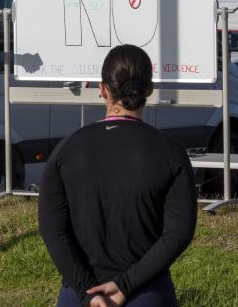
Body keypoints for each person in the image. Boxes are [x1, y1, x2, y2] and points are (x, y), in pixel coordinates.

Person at [39, 44, 198, 307]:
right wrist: (125, 285)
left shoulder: (65, 151)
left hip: (79, 294)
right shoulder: (171, 153)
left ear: (103, 89)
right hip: (147, 292)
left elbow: (52, 230)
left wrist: (85, 291)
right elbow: (178, 234)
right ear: (149, 90)